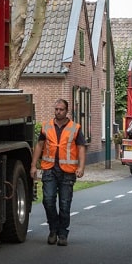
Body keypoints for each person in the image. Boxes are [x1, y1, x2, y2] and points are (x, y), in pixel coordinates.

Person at [30, 98, 86, 246]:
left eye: (61, 109)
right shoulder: (46, 127)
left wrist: (81, 167)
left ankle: (62, 233)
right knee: (48, 200)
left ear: (67, 111)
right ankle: (53, 229)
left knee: (65, 203)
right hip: (49, 168)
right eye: (56, 109)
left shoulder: (75, 128)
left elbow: (81, 147)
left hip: (68, 171)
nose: (58, 112)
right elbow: (39, 145)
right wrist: (33, 165)